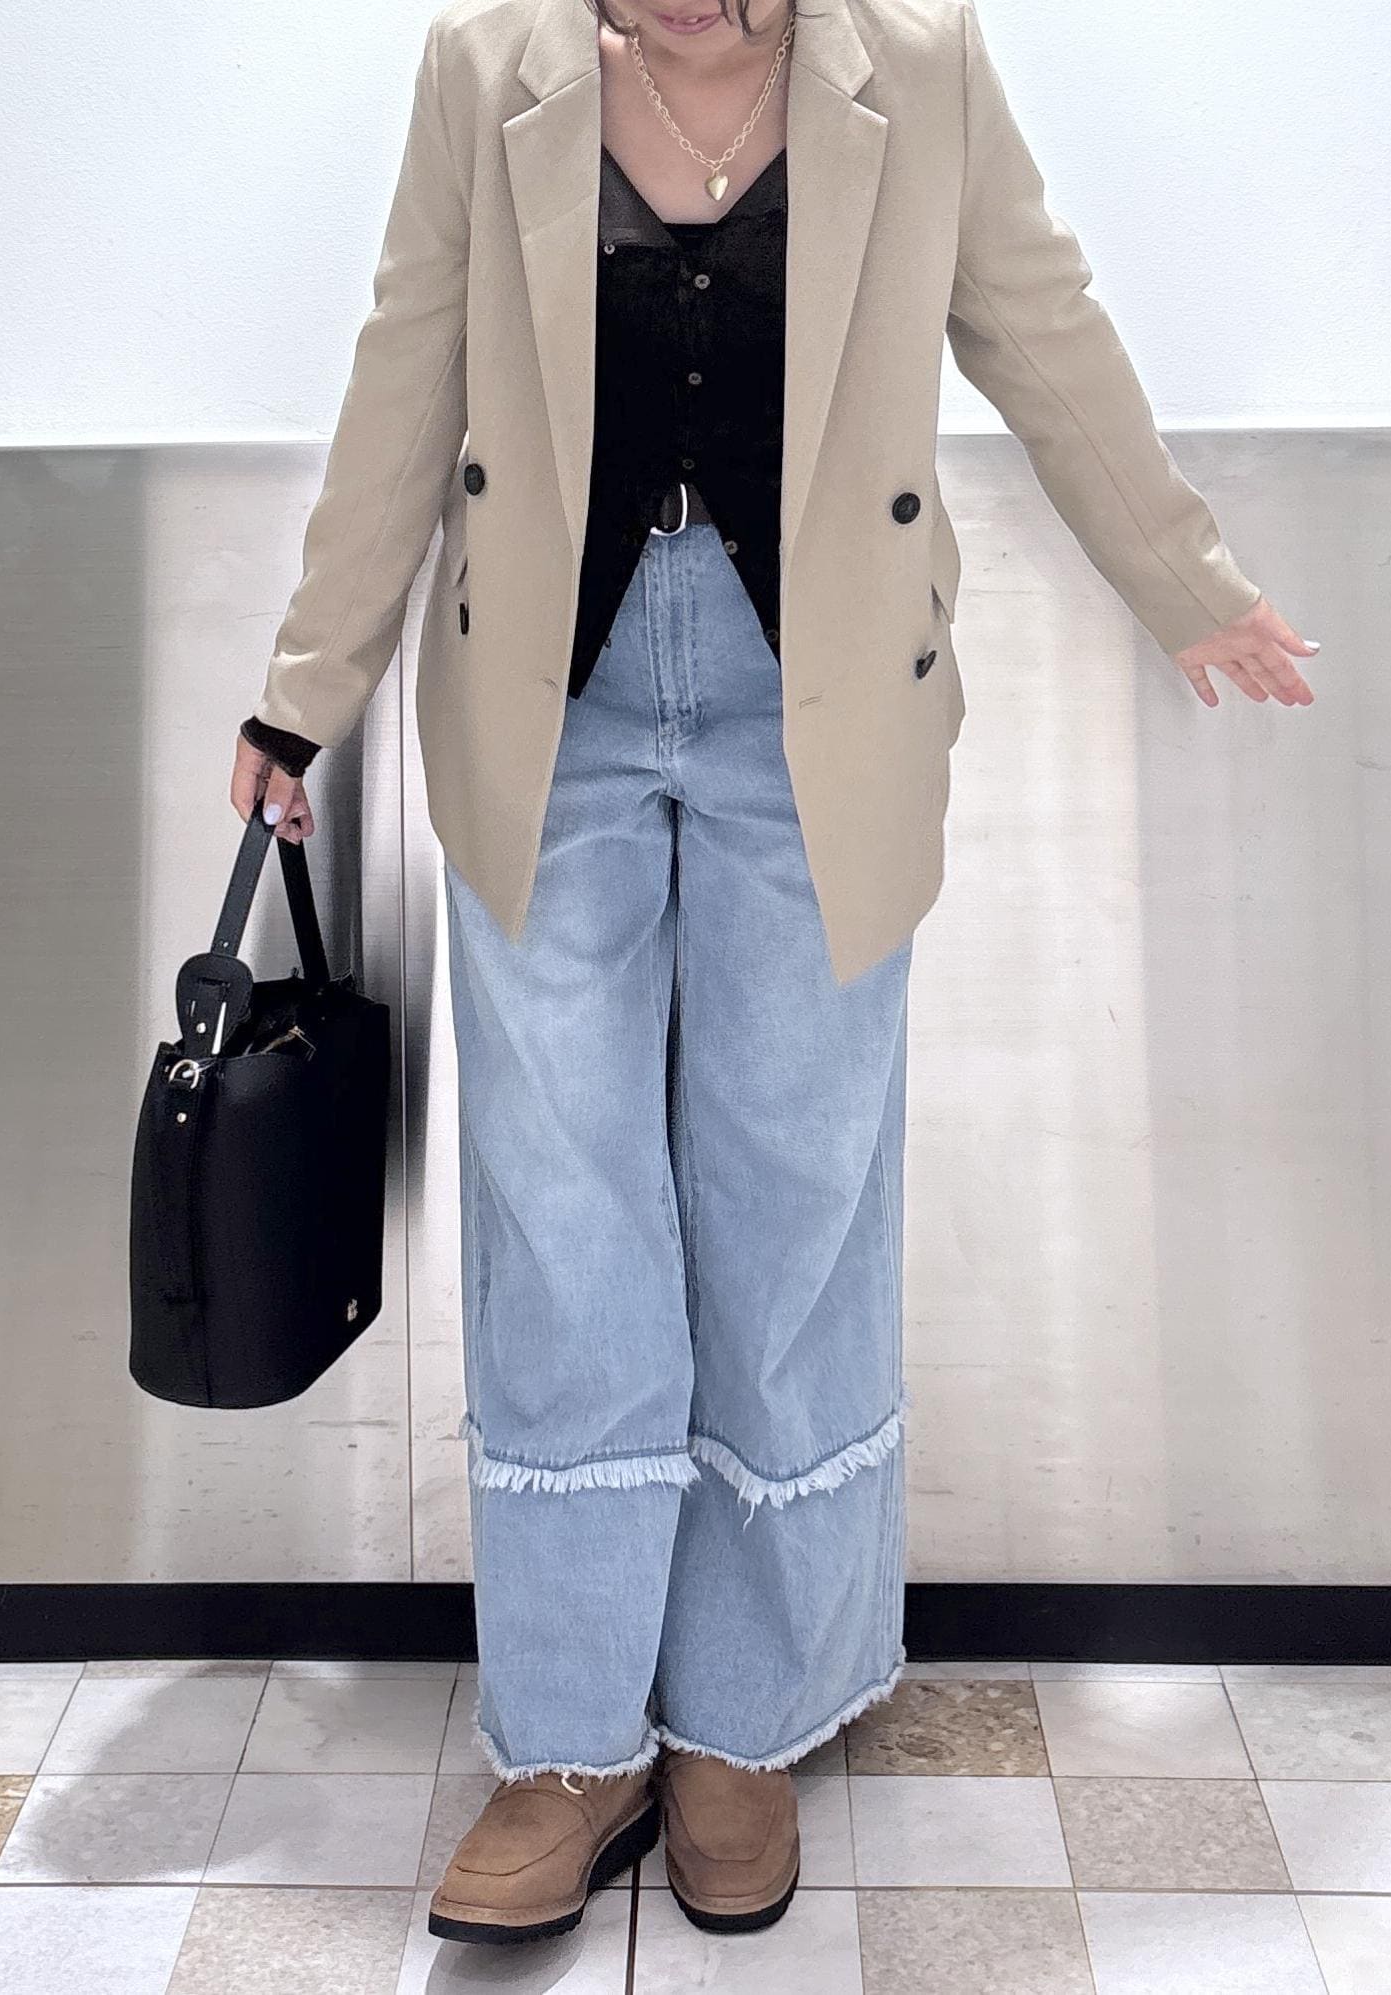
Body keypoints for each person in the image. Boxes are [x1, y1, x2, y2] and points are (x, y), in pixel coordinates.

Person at [229, 0, 1318, 1950]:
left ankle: (741, 1723)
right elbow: (406, 370)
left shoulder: (920, 59)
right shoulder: (486, 67)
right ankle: (572, 1743)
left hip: (816, 713)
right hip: (541, 712)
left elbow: (1038, 326)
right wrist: (303, 690)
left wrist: (1187, 582)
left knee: (791, 1203)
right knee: (563, 1222)